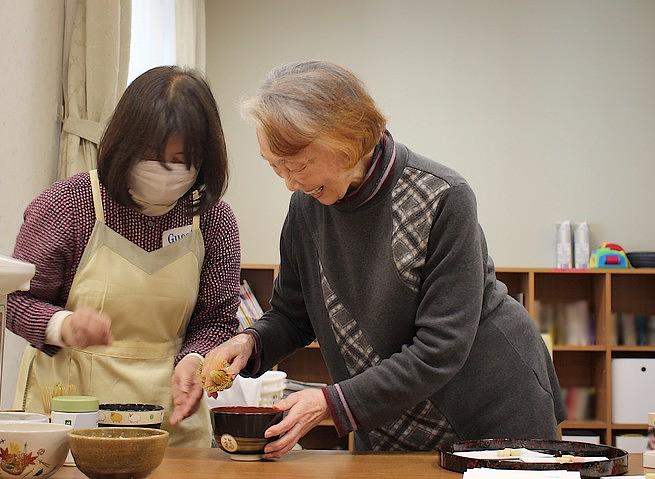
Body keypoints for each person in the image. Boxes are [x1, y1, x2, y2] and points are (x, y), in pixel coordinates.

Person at [198, 61, 565, 457]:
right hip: (392, 419)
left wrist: (330, 402)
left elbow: (440, 347)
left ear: (348, 137)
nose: (291, 182)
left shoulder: (443, 196)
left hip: (490, 407)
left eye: (299, 165)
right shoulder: (307, 208)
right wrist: (251, 343)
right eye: (276, 168)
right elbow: (292, 314)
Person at [7, 66, 240, 447]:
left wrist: (195, 358)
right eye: (151, 155)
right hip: (68, 412)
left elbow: (216, 321)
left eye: (180, 160)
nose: (164, 172)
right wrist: (62, 326)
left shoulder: (212, 218)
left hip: (168, 417)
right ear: (123, 143)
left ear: (204, 159)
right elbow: (16, 302)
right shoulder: (69, 204)